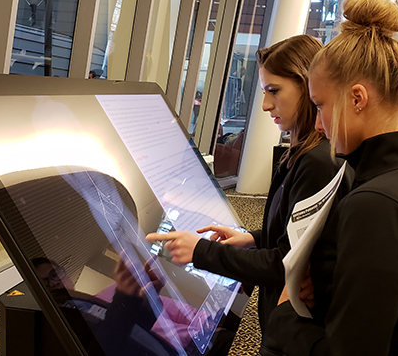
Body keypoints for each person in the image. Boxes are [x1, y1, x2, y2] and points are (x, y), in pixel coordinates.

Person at [259, 0, 398, 356]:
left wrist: (283, 316)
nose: (321, 124)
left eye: (321, 105)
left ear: (357, 98)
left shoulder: (378, 203)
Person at [146, 34, 351, 334]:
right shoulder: (302, 154)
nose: (267, 105)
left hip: (298, 323)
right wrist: (254, 238)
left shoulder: (317, 162)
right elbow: (297, 233)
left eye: (274, 91)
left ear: (308, 85)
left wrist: (201, 252)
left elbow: (287, 262)